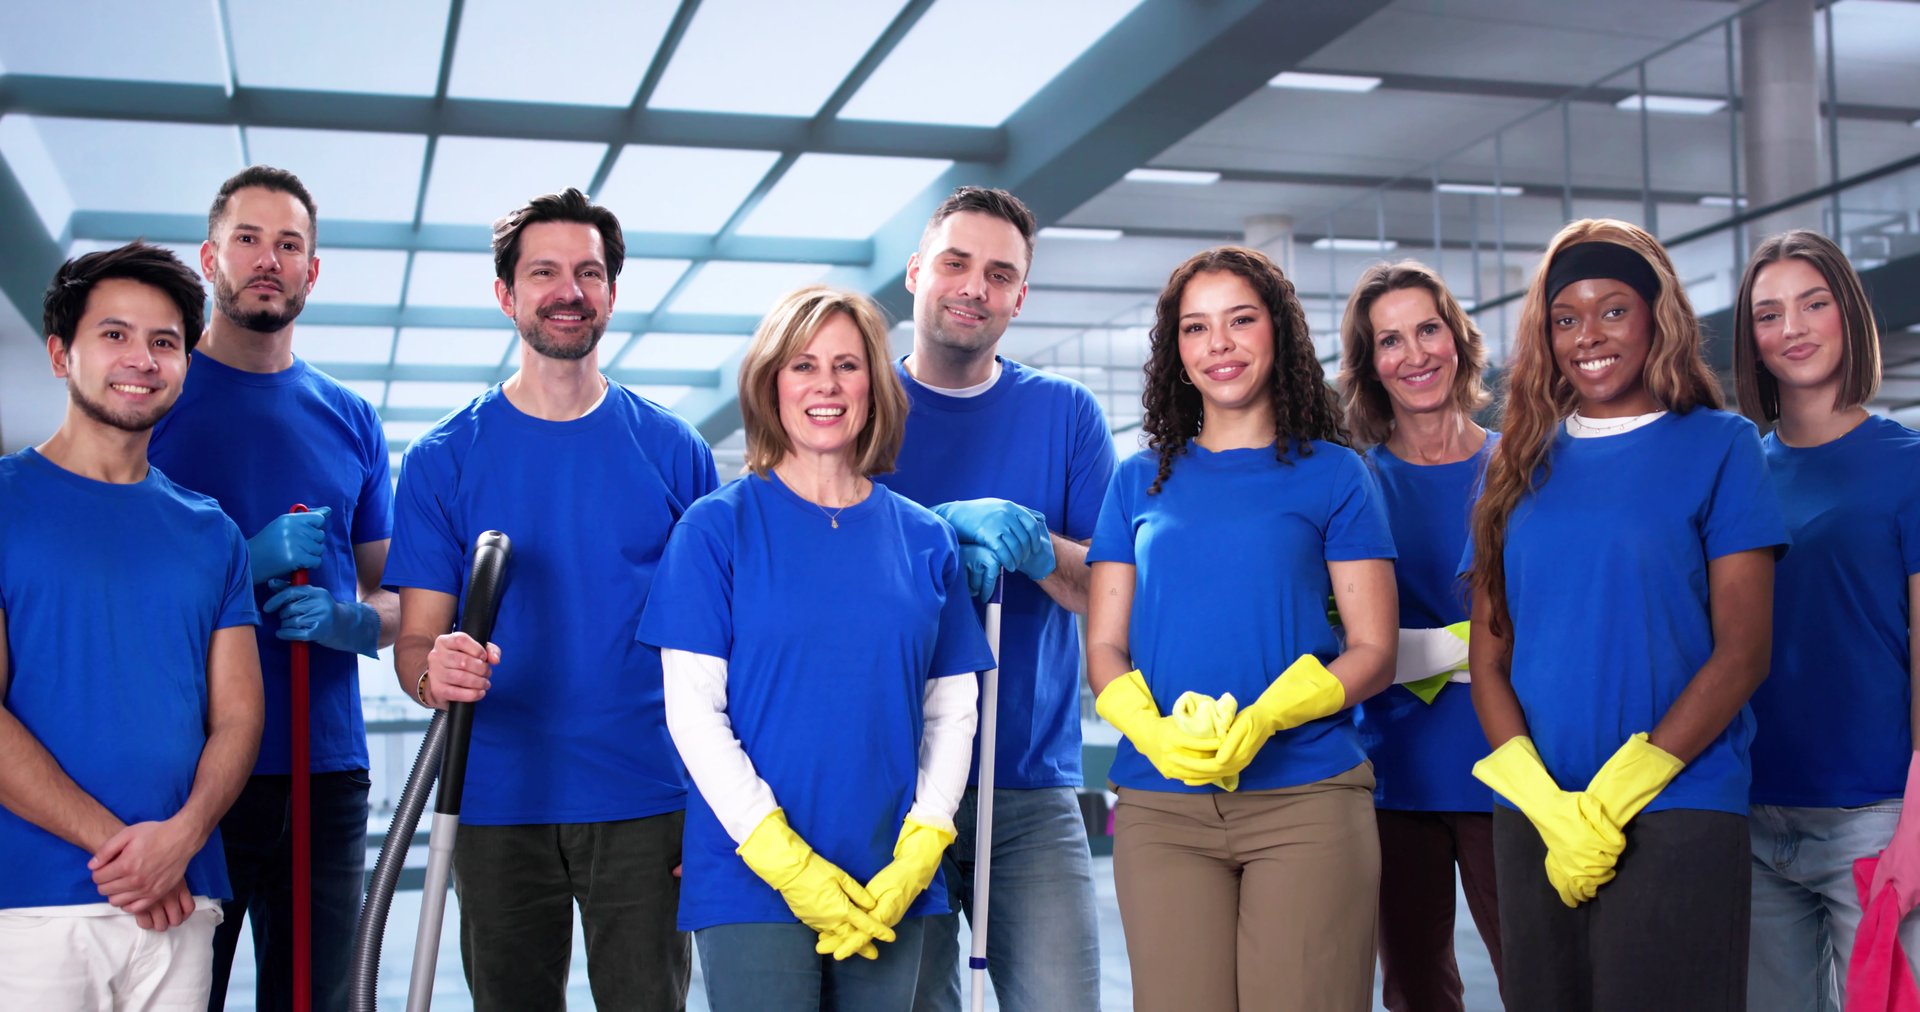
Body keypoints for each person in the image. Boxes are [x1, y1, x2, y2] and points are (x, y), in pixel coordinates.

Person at [384, 187, 717, 1010]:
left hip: (646, 801)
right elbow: (416, 645)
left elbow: (722, 650)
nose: (570, 290)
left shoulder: (674, 452)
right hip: (494, 800)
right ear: (507, 295)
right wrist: (437, 674)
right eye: (545, 272)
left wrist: (714, 808)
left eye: (589, 272)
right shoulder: (442, 460)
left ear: (610, 292)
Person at [1464, 218, 1787, 1011]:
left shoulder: (1721, 446)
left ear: (1656, 316)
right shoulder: (1516, 463)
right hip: (1539, 817)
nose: (1588, 336)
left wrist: (1626, 787)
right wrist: (1541, 797)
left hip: (1677, 808)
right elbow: (1489, 657)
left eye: (1612, 310)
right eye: (1565, 318)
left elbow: (1742, 651)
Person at [639, 285, 992, 1010]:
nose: (825, 386)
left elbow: (952, 708)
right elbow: (693, 713)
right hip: (749, 876)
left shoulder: (924, 539)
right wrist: (779, 855)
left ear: (875, 385)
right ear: (771, 384)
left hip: (891, 870)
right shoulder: (714, 531)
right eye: (802, 366)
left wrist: (925, 839)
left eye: (847, 365)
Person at [1085, 245, 1399, 1011]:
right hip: (1162, 807)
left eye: (1239, 320)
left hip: (1307, 801)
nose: (1218, 344)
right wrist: (1149, 730)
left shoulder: (1334, 473)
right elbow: (1104, 643)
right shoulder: (1138, 479)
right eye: (1196, 328)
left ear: (1279, 334)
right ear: (1177, 353)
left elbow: (1375, 650)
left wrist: (1271, 714)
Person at [146, 165, 398, 1012]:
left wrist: (349, 623)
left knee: (317, 1001)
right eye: (248, 239)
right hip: (187, 769)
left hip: (321, 773)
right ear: (212, 256)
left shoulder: (350, 417)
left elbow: (400, 599)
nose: (268, 259)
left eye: (289, 245)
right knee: (183, 993)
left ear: (311, 272)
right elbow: (120, 598)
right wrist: (237, 566)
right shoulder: (158, 402)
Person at [0, 243, 264, 1008]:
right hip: (34, 903)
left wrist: (178, 840)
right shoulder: (6, 505)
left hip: (183, 898)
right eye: (114, 334)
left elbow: (240, 716)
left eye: (164, 342)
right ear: (61, 353)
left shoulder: (212, 532)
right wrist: (124, 854)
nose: (141, 359)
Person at [877, 186, 1113, 1012]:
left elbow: (1109, 592)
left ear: (1021, 295)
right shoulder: (855, 409)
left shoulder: (1065, 416)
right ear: (915, 273)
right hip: (887, 785)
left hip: (1025, 782)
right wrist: (922, 544)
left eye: (999, 272)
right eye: (955, 263)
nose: (974, 286)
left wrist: (1038, 546)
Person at [1732, 229, 1920, 1009]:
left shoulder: (1908, 462)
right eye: (1769, 314)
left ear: (1850, 314)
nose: (1794, 329)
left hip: (1874, 815)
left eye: (1814, 303)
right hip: (1752, 806)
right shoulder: (1736, 469)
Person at [1336, 260, 1503, 1011]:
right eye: (1390, 341)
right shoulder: (1352, 483)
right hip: (1392, 773)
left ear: (1458, 339)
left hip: (1515, 769)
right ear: (1371, 365)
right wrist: (1468, 648)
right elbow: (1337, 642)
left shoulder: (1522, 467)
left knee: (1541, 974)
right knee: (1416, 990)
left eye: (1428, 329)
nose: (1416, 354)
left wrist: (1404, 649)